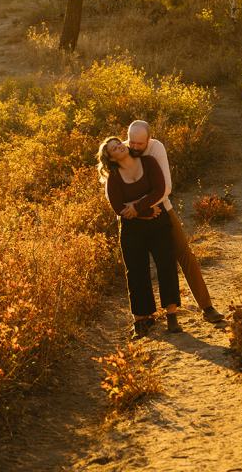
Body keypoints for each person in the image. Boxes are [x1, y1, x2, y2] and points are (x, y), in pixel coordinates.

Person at [117, 119, 225, 323]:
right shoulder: (121, 150)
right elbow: (111, 186)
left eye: (140, 143)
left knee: (184, 254)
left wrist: (142, 206)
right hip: (132, 217)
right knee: (135, 266)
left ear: (149, 139)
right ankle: (143, 318)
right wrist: (139, 210)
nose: (135, 147)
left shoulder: (156, 148)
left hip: (162, 210)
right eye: (132, 142)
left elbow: (165, 188)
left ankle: (207, 306)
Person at [97, 136, 182, 337]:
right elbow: (118, 208)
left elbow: (159, 189)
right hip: (132, 228)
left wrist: (136, 206)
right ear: (111, 158)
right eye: (113, 149)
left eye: (118, 143)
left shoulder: (148, 162)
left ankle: (171, 315)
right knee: (136, 271)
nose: (119, 146)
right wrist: (145, 212)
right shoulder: (114, 178)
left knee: (166, 264)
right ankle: (143, 320)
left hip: (159, 221)